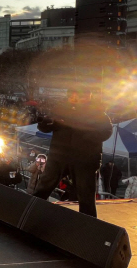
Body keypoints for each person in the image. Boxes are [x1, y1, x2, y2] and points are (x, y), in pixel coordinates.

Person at [33, 89, 112, 217]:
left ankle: (88, 223)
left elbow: (106, 132)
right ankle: (30, 213)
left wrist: (88, 135)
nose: (77, 98)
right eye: (73, 95)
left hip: (85, 160)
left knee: (86, 194)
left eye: (83, 95)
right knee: (43, 187)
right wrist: (44, 123)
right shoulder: (60, 110)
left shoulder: (98, 114)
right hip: (59, 157)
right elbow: (45, 127)